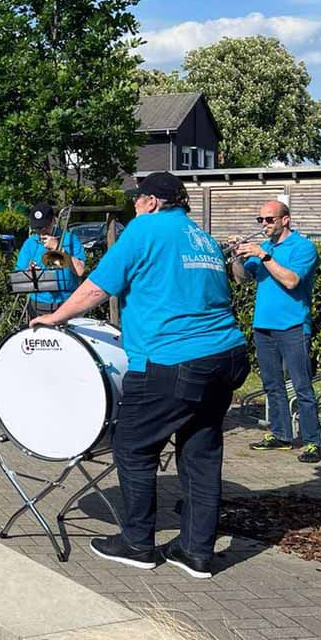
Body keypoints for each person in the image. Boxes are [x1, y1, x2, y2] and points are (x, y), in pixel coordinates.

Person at [30, 172, 248, 579]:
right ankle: (197, 552)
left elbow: (98, 287)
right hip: (226, 355)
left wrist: (54, 317)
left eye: (136, 198)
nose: (132, 205)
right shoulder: (199, 235)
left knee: (132, 446)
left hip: (172, 358)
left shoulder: (144, 228)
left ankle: (137, 543)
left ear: (151, 202)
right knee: (200, 454)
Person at [231, 200, 321, 463]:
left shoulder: (302, 248)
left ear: (285, 220)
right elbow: (241, 279)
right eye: (260, 220)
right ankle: (281, 435)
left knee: (302, 386)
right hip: (264, 326)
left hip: (292, 326)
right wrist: (238, 257)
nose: (264, 225)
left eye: (269, 219)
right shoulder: (266, 247)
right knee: (272, 385)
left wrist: (264, 256)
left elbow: (292, 281)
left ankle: (313, 441)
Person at [14, 203, 86, 319]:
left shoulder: (70, 239)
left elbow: (80, 271)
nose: (41, 232)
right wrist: (29, 272)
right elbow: (18, 276)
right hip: (39, 304)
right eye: (37, 228)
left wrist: (59, 249)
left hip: (67, 302)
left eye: (45, 227)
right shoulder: (30, 243)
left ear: (53, 220)